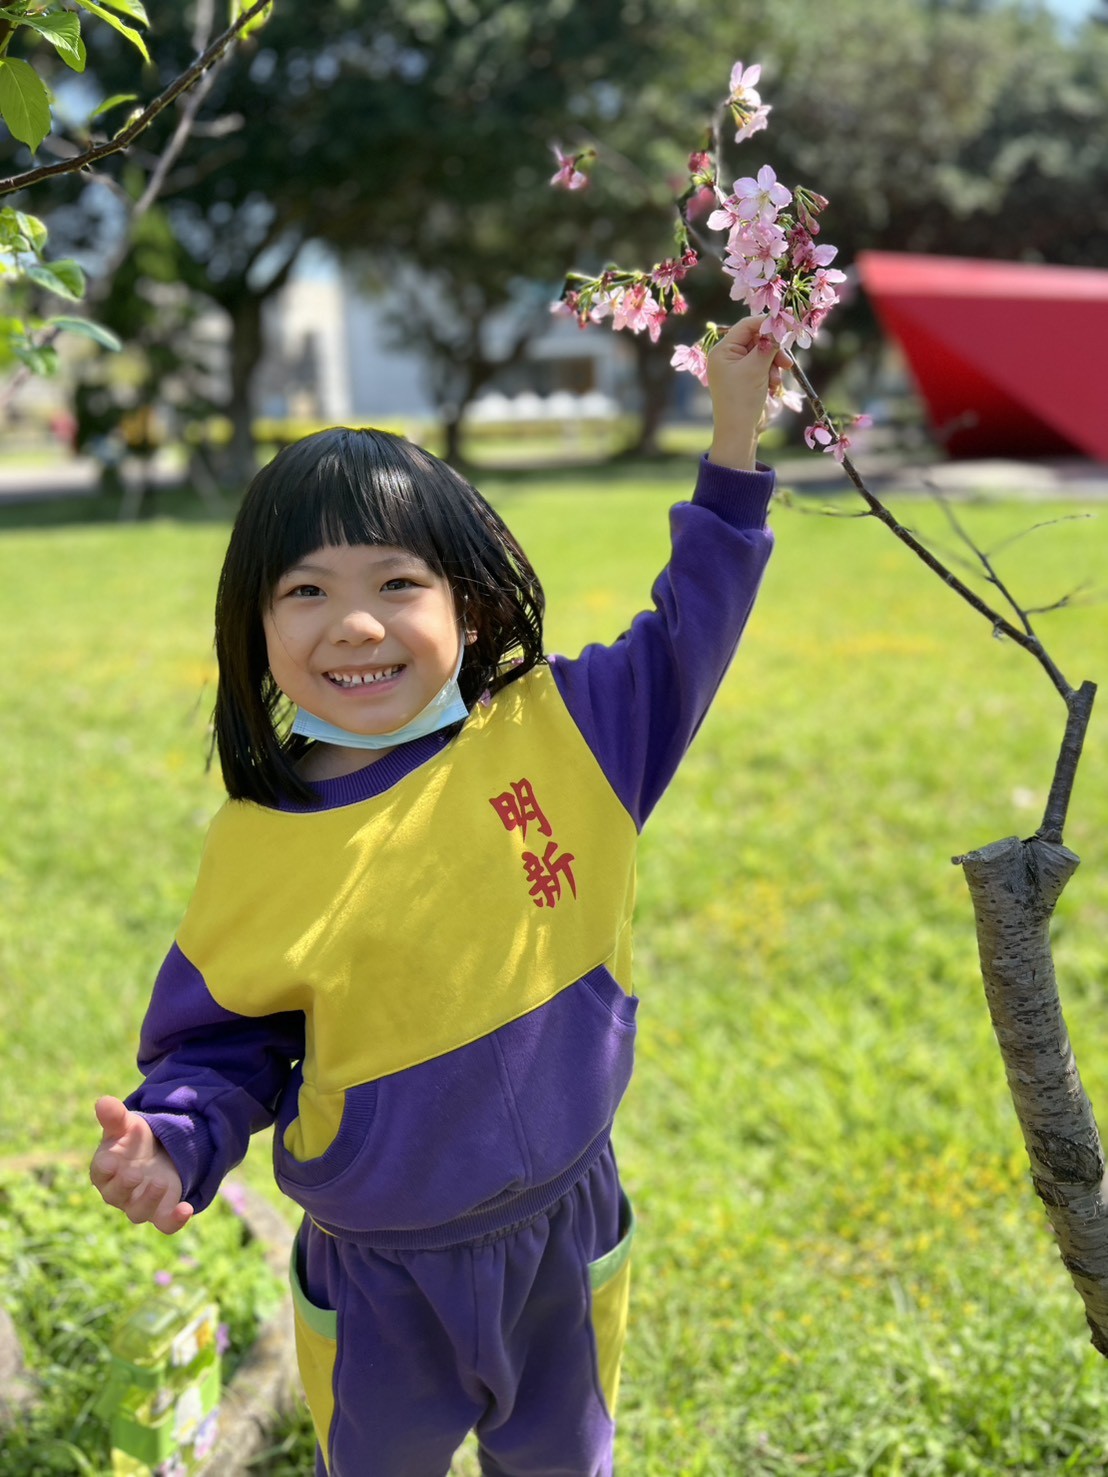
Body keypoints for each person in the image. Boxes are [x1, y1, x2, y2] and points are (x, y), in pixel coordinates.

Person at [90, 316, 787, 1477]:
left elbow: (691, 629)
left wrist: (732, 432)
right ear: (256, 630)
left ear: (468, 605)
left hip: (564, 1228)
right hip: (379, 1272)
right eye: (305, 589)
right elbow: (220, 1048)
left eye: (397, 581)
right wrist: (173, 1138)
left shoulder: (571, 734)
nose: (355, 623)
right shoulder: (258, 845)